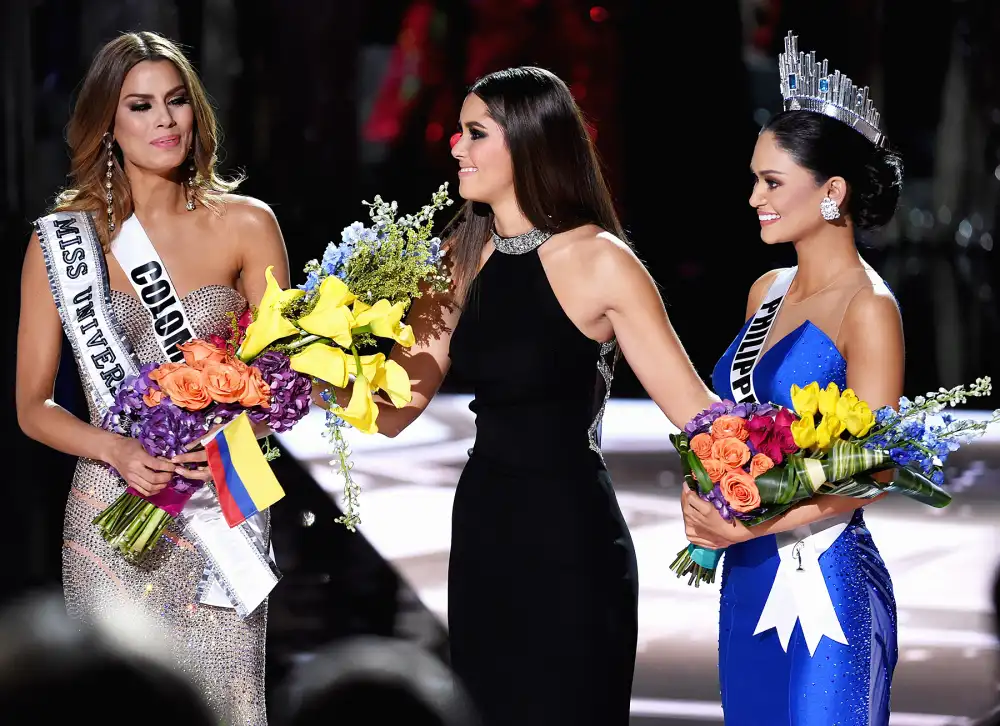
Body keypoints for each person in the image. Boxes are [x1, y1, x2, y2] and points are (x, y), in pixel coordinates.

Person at [323, 65, 716, 725]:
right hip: (484, 535)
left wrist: (806, 456)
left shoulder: (602, 261)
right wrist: (304, 361)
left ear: (529, 140)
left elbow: (697, 413)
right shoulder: (458, 256)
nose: (455, 147)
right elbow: (393, 410)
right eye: (458, 133)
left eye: (475, 133)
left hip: (572, 543)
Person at [15, 31, 290, 725]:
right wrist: (118, 450)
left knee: (227, 703)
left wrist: (232, 426)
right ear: (108, 123)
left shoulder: (248, 224)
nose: (164, 121)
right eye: (140, 106)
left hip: (223, 494)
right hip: (111, 507)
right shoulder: (61, 242)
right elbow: (32, 405)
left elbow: (288, 378)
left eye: (176, 102)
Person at [680, 32, 906, 725]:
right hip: (748, 578)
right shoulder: (765, 291)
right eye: (755, 178)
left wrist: (749, 520)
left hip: (826, 585)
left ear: (831, 192)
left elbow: (874, 469)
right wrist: (707, 491)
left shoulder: (869, 309)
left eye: (772, 182)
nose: (753, 197)